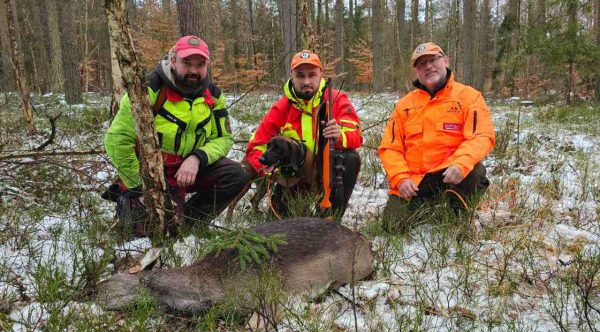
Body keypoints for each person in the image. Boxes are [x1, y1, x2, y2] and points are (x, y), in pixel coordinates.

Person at [104, 36, 249, 235]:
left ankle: (189, 223)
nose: (193, 70)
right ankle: (135, 206)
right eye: (186, 63)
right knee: (147, 236)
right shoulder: (148, 89)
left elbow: (223, 138)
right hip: (152, 173)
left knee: (235, 175)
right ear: (173, 60)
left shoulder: (214, 95)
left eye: (200, 64)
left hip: (188, 171)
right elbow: (116, 140)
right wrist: (139, 187)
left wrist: (197, 157)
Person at [378, 42, 495, 232]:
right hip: (415, 182)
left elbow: (481, 136)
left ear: (446, 61)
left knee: (473, 170)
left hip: (452, 175)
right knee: (391, 226)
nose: (428, 66)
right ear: (416, 71)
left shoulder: (469, 97)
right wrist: (401, 178)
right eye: (421, 64)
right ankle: (427, 207)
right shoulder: (404, 106)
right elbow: (390, 148)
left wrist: (461, 164)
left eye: (433, 60)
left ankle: (457, 213)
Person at [245, 50, 362, 219]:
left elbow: (356, 135)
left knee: (350, 158)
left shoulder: (336, 99)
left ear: (321, 74)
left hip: (326, 174)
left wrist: (339, 137)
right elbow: (255, 146)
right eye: (300, 76)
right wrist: (271, 173)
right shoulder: (281, 108)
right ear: (291, 75)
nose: (306, 81)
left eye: (312, 75)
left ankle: (333, 215)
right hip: (294, 178)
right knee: (278, 225)